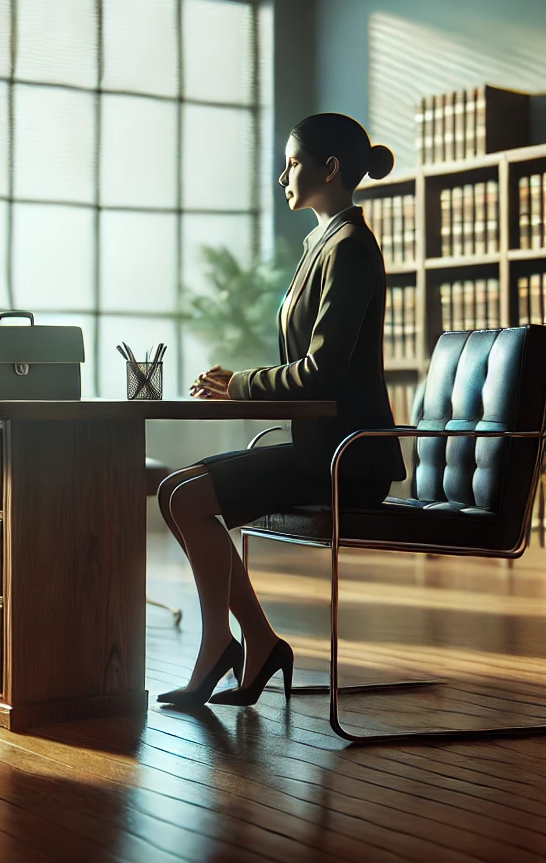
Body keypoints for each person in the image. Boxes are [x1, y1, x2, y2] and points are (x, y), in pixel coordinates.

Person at [157, 113, 404, 708]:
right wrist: (241, 383)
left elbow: (323, 372)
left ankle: (225, 642)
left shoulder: (350, 248)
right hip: (321, 447)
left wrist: (239, 383)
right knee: (174, 491)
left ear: (331, 167)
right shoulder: (323, 243)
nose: (283, 175)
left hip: (348, 459)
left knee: (186, 498)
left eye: (293, 162)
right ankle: (256, 641)